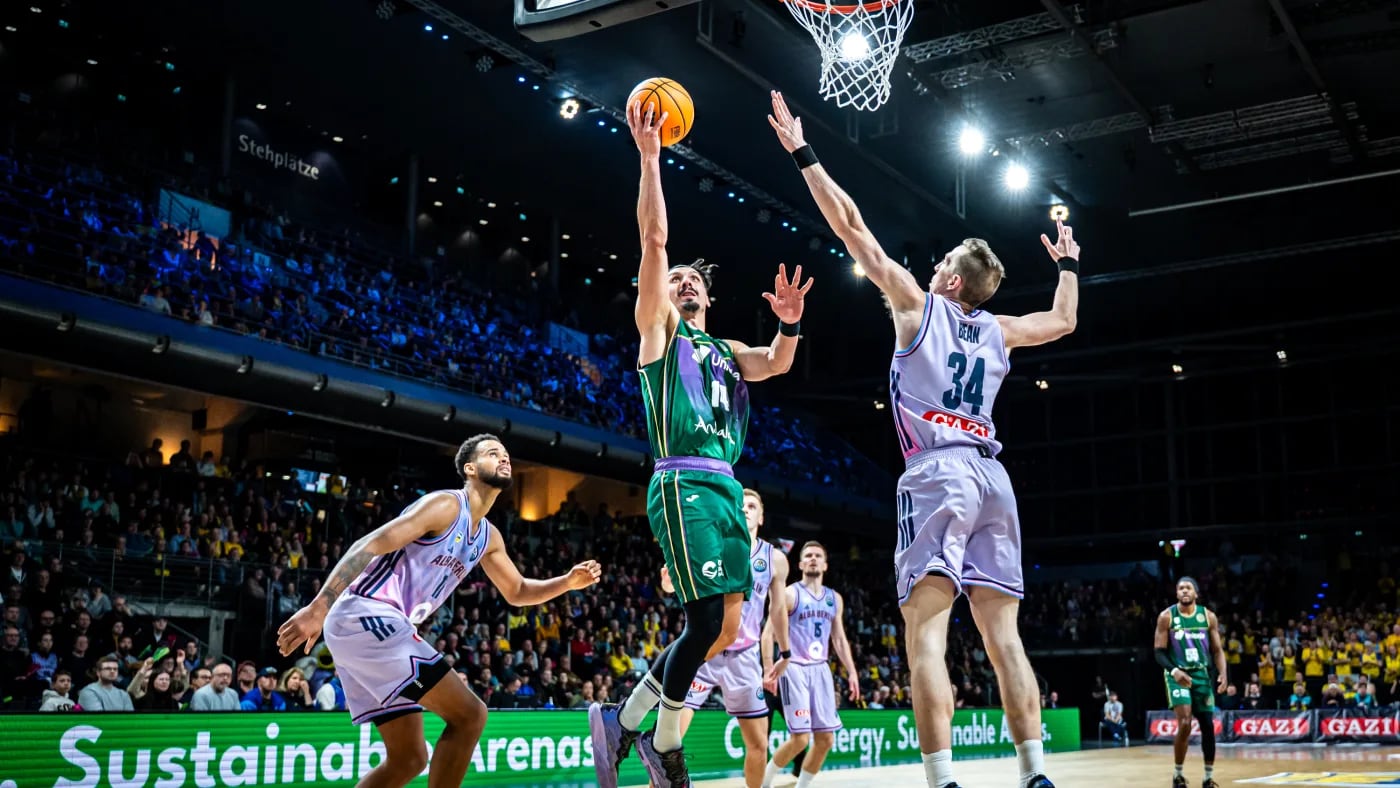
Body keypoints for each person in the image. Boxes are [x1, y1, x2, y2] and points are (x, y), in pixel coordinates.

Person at [767, 90, 1075, 788]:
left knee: (925, 638)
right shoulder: (1000, 329)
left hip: (937, 473)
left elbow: (852, 228)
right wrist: (1070, 264)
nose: (931, 265)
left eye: (940, 261)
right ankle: (1035, 776)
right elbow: (1062, 322)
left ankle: (941, 781)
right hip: (995, 480)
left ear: (952, 278)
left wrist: (801, 151)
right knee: (1004, 641)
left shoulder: (918, 304)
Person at [590, 99, 812, 788]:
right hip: (683, 478)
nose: (683, 280)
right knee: (705, 618)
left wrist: (790, 325)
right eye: (675, 278)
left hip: (723, 483)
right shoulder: (660, 334)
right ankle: (652, 737)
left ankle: (624, 725)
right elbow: (654, 243)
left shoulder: (726, 348)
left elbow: (775, 363)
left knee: (719, 627)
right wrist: (651, 158)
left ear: (709, 296)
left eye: (694, 279)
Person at [278, 434, 601, 788]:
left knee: (409, 758)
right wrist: (318, 607)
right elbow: (370, 543)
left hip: (374, 627)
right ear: (470, 468)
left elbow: (518, 590)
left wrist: (566, 582)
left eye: (507, 454)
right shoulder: (446, 505)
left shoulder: (489, 537)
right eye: (494, 454)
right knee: (471, 716)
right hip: (366, 614)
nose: (505, 459)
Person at [661, 488, 792, 788]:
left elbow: (778, 610)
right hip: (704, 650)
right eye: (739, 504)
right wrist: (670, 584)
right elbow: (678, 585)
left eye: (751, 505)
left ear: (761, 515)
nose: (744, 509)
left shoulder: (775, 559)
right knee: (668, 740)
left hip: (744, 657)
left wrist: (784, 653)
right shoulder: (711, 545)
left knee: (759, 744)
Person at [760, 541, 860, 788]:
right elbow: (767, 634)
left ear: (825, 564)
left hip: (821, 669)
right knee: (800, 739)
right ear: (801, 564)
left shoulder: (834, 598)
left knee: (825, 739)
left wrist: (852, 672)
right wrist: (767, 668)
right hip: (794, 668)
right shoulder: (790, 594)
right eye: (808, 555)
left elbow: (838, 638)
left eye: (818, 555)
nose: (813, 558)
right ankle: (763, 782)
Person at [1154, 577, 1227, 788]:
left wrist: (1223, 673)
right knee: (1185, 722)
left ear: (1196, 593)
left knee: (1207, 726)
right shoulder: (1166, 617)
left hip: (1201, 675)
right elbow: (1159, 652)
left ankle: (1208, 778)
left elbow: (1217, 650)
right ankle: (1178, 774)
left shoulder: (1208, 617)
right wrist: (1174, 671)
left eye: (1188, 588)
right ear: (1176, 594)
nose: (1184, 591)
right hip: (1178, 675)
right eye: (1180, 588)